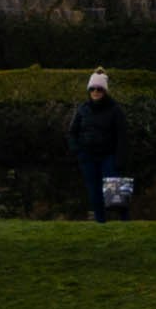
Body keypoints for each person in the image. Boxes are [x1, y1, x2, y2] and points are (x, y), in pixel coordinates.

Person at [65, 70, 132, 228]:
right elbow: (72, 132)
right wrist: (77, 151)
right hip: (88, 157)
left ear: (104, 91)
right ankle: (100, 224)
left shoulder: (115, 110)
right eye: (92, 89)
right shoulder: (82, 109)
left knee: (115, 190)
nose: (95, 92)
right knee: (93, 191)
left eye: (99, 89)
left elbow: (122, 136)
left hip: (108, 155)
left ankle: (126, 222)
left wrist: (120, 159)